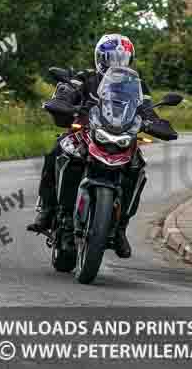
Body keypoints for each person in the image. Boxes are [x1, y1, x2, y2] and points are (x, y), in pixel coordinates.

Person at [26, 34, 157, 259]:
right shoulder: (85, 78)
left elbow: (147, 108)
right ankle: (48, 210)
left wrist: (157, 122)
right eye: (111, 57)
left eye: (122, 57)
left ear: (129, 59)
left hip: (120, 135)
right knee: (56, 151)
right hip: (85, 132)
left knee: (137, 168)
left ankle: (120, 228)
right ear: (100, 58)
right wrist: (62, 101)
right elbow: (68, 90)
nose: (116, 62)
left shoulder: (136, 85)